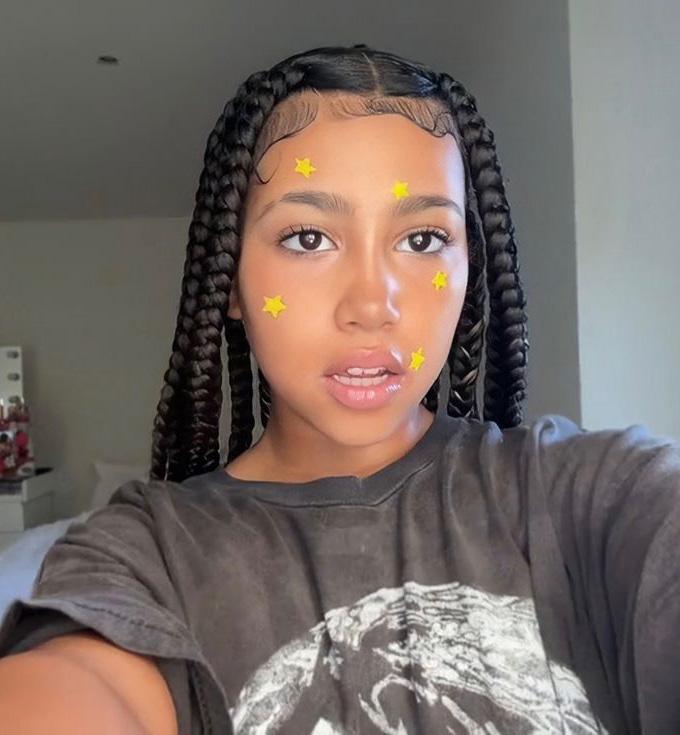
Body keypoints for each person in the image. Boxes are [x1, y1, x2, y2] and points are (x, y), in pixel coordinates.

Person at [0, 43, 678, 734]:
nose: (372, 305)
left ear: (471, 265)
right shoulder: (146, 557)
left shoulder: (590, 495)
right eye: (307, 238)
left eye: (422, 240)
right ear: (230, 278)